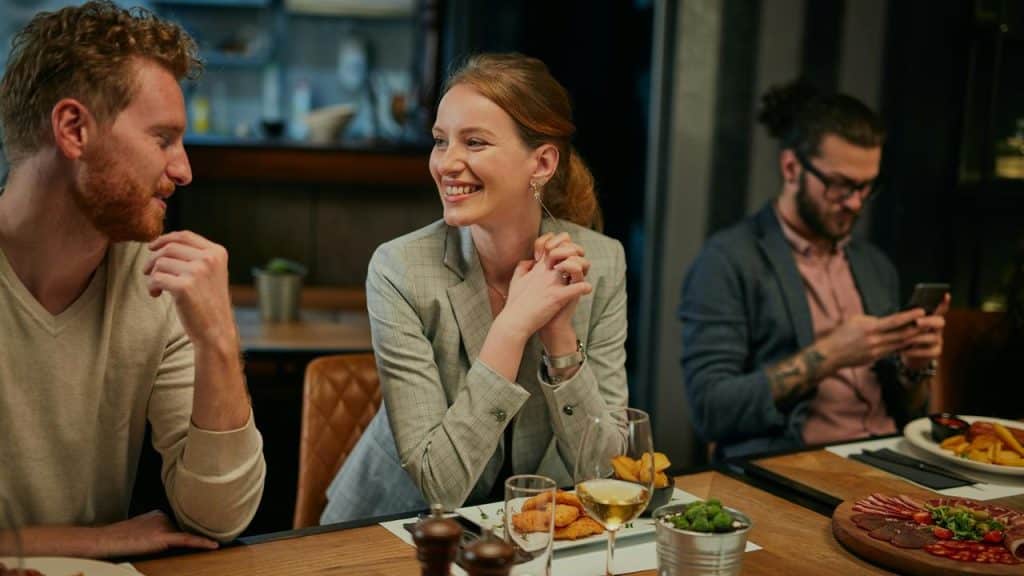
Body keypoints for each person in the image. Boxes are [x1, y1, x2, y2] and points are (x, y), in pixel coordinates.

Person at [0, 1, 265, 557]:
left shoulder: (154, 280)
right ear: (73, 129)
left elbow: (217, 518)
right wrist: (93, 541)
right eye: (163, 138)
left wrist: (217, 341)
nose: (184, 169)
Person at [321, 53, 628, 523]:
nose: (448, 163)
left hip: (526, 532)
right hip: (390, 531)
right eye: (441, 141)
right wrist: (512, 327)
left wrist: (560, 339)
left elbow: (604, 472)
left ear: (542, 162)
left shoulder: (602, 263)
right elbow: (439, 487)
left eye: (475, 142)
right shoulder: (398, 269)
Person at [679, 80, 949, 459]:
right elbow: (711, 411)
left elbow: (911, 412)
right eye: (841, 186)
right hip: (798, 462)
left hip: (890, 456)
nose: (856, 203)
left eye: (867, 187)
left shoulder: (874, 266)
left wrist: (914, 369)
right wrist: (831, 354)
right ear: (791, 167)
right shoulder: (729, 261)